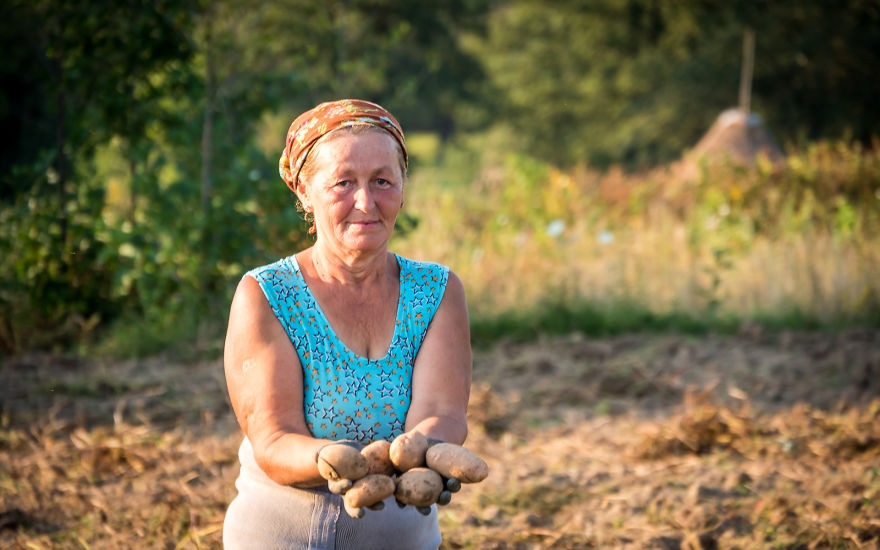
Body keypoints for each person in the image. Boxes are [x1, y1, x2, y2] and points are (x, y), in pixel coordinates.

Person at [222, 99, 473, 549]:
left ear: (402, 187)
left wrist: (423, 452)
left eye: (382, 181)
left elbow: (443, 411)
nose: (366, 202)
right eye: (343, 182)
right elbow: (274, 439)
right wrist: (335, 460)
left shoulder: (437, 291)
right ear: (304, 190)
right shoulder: (267, 294)